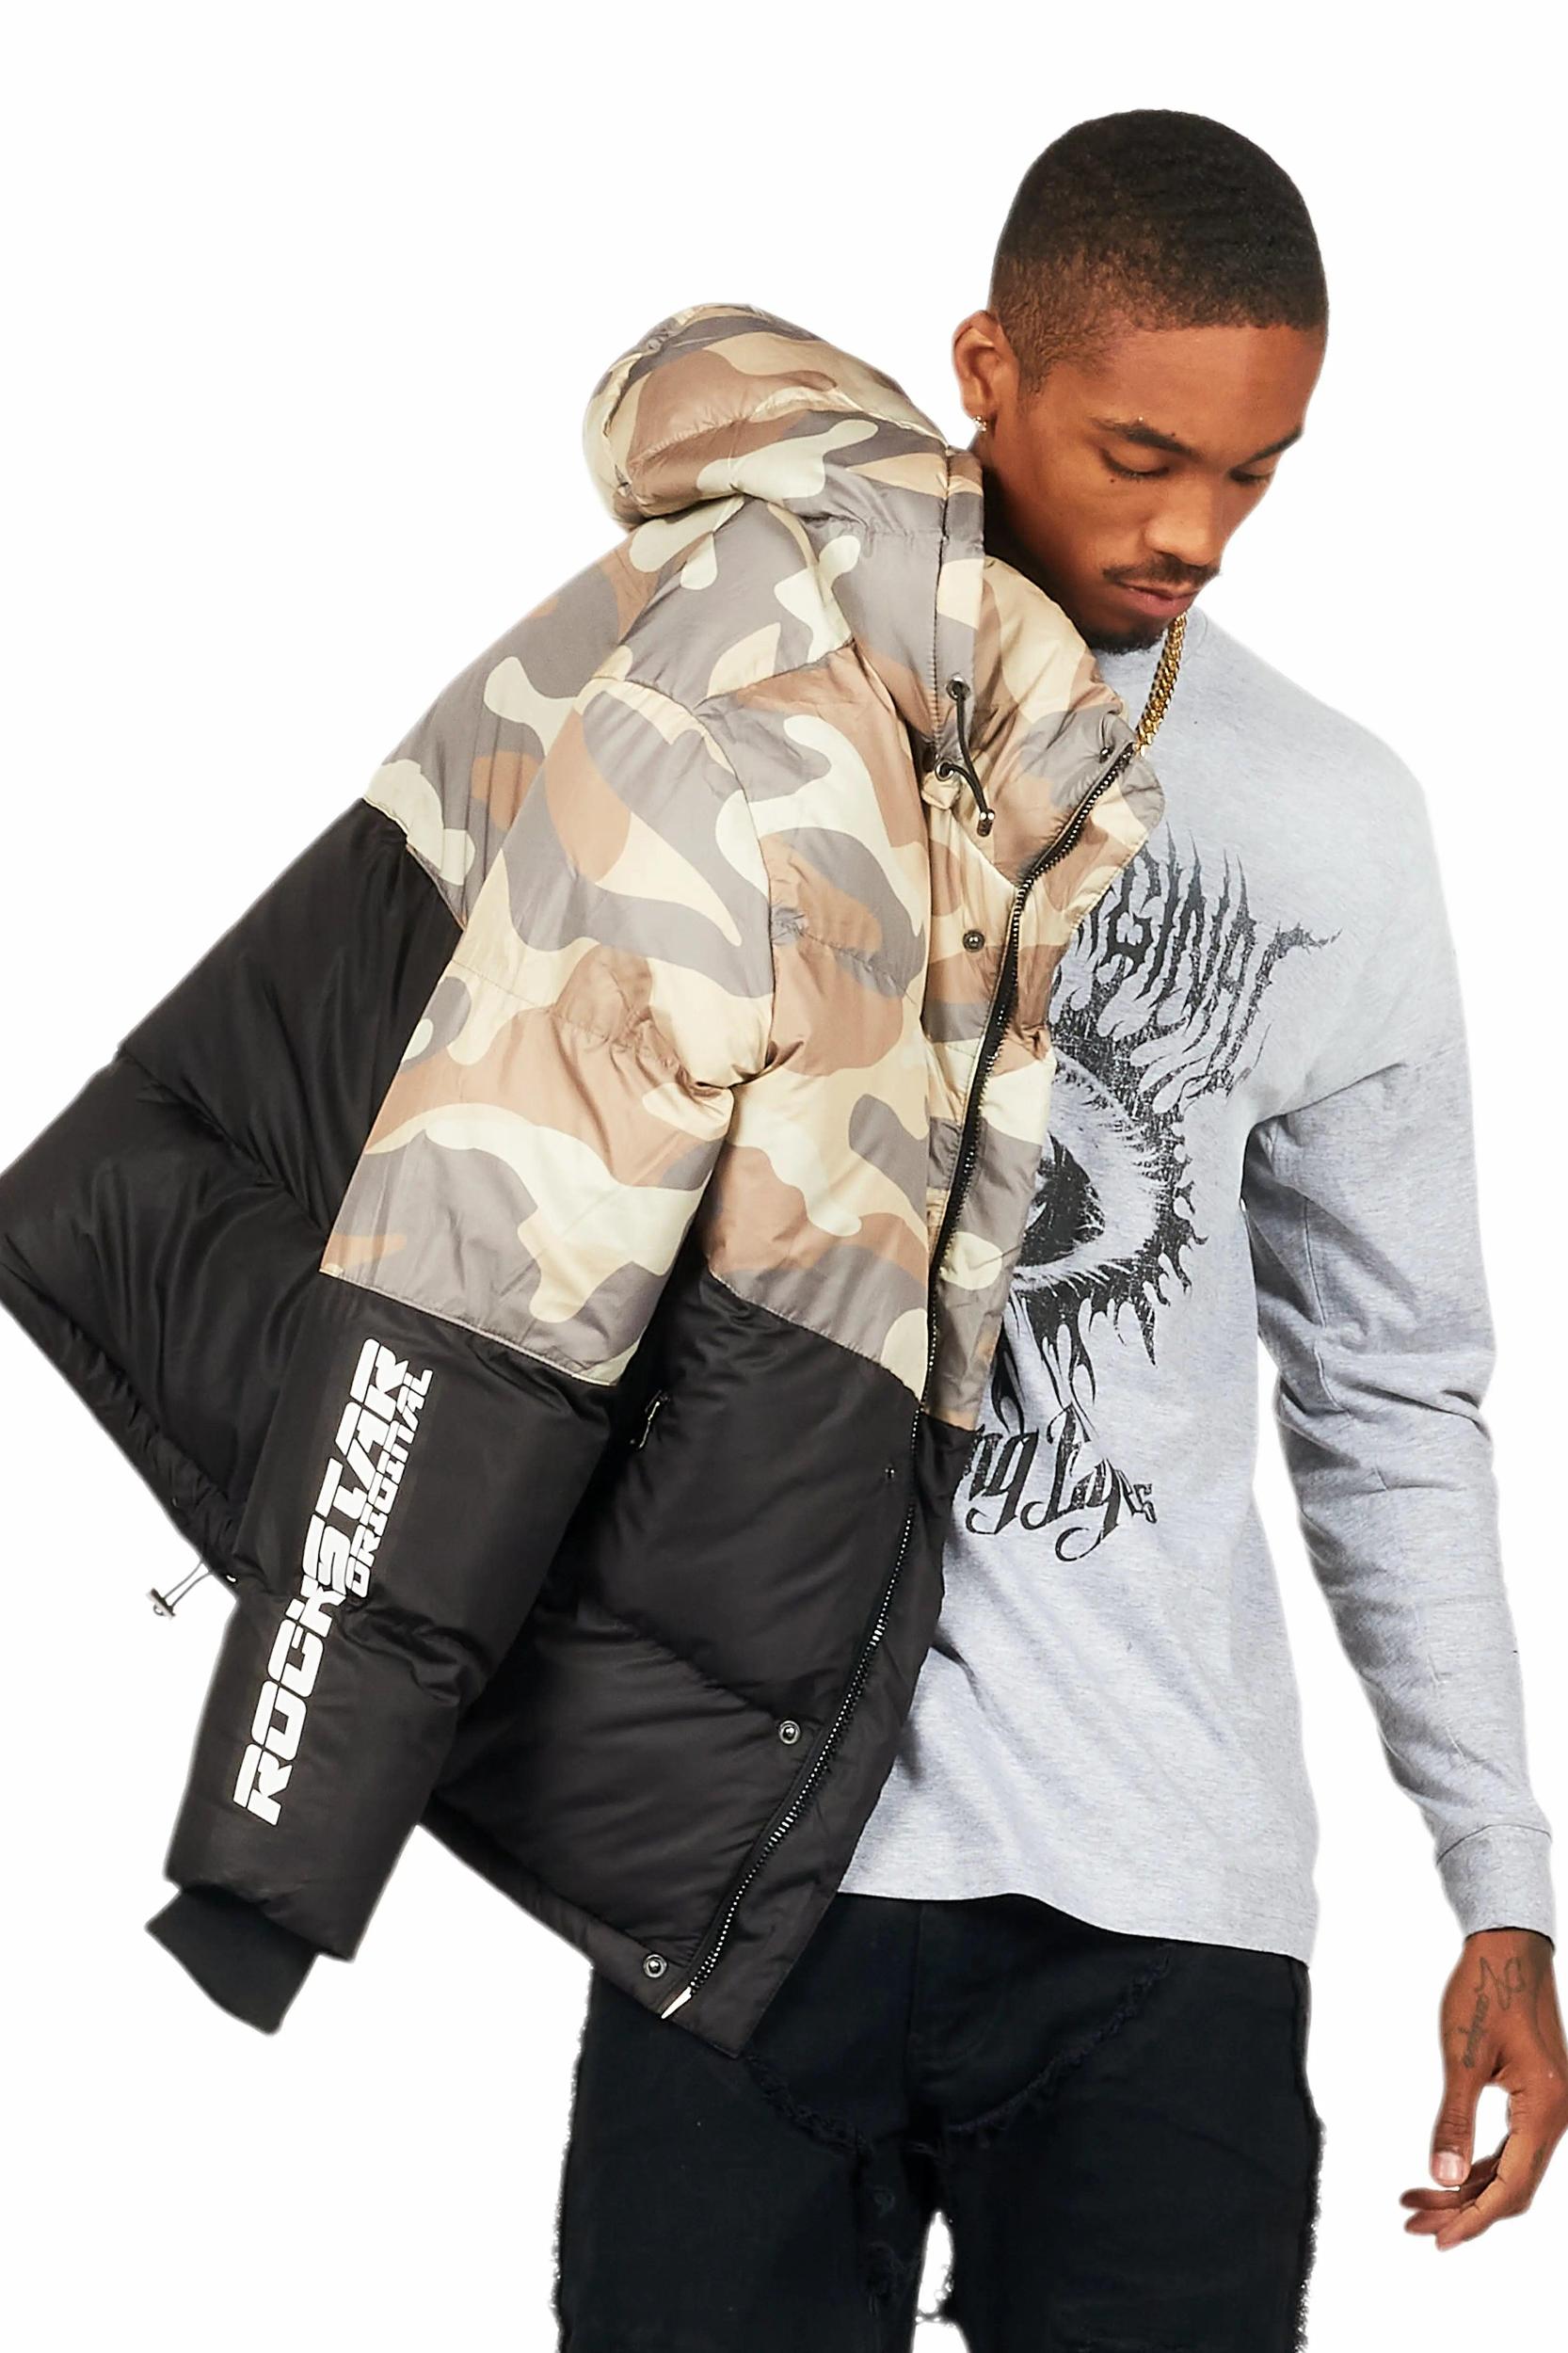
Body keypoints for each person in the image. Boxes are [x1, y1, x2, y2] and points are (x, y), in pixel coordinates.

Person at [0, 108, 1560, 2353]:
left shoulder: (1336, 821)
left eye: (1253, 473)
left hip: (1172, 1906)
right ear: (987, 368)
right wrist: (298, 1764)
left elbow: (1393, 1389)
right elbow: (477, 1198)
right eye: (1140, 455)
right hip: (738, 1893)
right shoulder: (719, 686)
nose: (1192, 532)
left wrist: (1499, 1885)